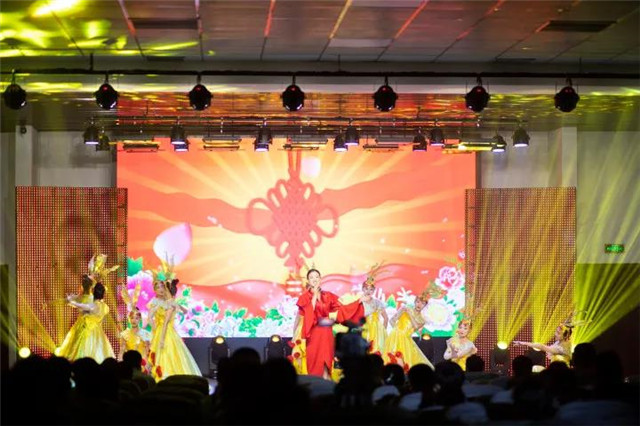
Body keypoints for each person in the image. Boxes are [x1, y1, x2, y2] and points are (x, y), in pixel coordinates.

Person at [295, 268, 365, 380]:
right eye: (311, 277)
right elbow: (307, 313)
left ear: (320, 279)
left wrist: (357, 303)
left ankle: (327, 384)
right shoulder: (304, 297)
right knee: (314, 362)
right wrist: (314, 295)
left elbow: (341, 309)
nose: (314, 279)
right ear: (308, 280)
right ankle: (315, 385)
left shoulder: (328, 296)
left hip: (326, 333)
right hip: (312, 333)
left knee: (327, 362)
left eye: (316, 277)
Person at [148, 275, 201, 380]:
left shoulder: (170, 303)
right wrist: (154, 328)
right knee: (158, 355)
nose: (161, 289)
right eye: (158, 287)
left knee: (168, 354)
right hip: (159, 331)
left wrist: (177, 304)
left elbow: (169, 321)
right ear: (155, 290)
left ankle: (168, 378)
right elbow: (150, 317)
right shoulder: (156, 302)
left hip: (167, 332)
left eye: (162, 287)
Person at [383, 283, 443, 371]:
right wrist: (399, 314)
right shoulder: (406, 309)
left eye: (422, 303)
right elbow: (392, 322)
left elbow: (415, 327)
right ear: (415, 302)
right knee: (391, 359)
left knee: (405, 362)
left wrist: (410, 314)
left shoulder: (422, 319)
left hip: (405, 340)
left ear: (425, 305)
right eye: (418, 302)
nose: (419, 304)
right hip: (394, 336)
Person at [58, 282, 115, 363]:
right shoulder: (105, 307)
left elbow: (79, 305)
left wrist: (70, 300)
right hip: (97, 331)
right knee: (99, 350)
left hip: (87, 330)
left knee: (84, 350)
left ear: (93, 292)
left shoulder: (93, 306)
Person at [513, 311, 589, 366]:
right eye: (556, 332)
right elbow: (567, 327)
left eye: (558, 333)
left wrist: (523, 343)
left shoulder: (560, 348)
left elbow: (541, 346)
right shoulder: (560, 342)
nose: (555, 334)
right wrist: (570, 317)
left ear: (565, 336)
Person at [360, 263, 389, 355]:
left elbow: (386, 318)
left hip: (377, 330)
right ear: (362, 289)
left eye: (371, 289)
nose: (368, 291)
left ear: (374, 290)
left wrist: (383, 330)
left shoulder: (377, 302)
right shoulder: (359, 302)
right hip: (365, 328)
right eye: (366, 289)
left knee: (377, 351)